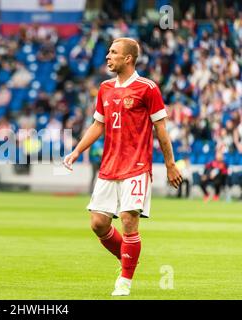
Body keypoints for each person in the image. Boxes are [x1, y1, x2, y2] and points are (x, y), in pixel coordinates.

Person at [63, 38, 182, 296]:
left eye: (113, 52)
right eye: (108, 51)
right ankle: (129, 259)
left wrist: (170, 164)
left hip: (137, 166)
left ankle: (124, 281)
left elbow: (161, 128)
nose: (108, 56)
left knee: (129, 219)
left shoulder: (147, 88)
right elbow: (98, 125)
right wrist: (76, 151)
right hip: (109, 165)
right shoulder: (105, 88)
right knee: (98, 223)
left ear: (128, 58)